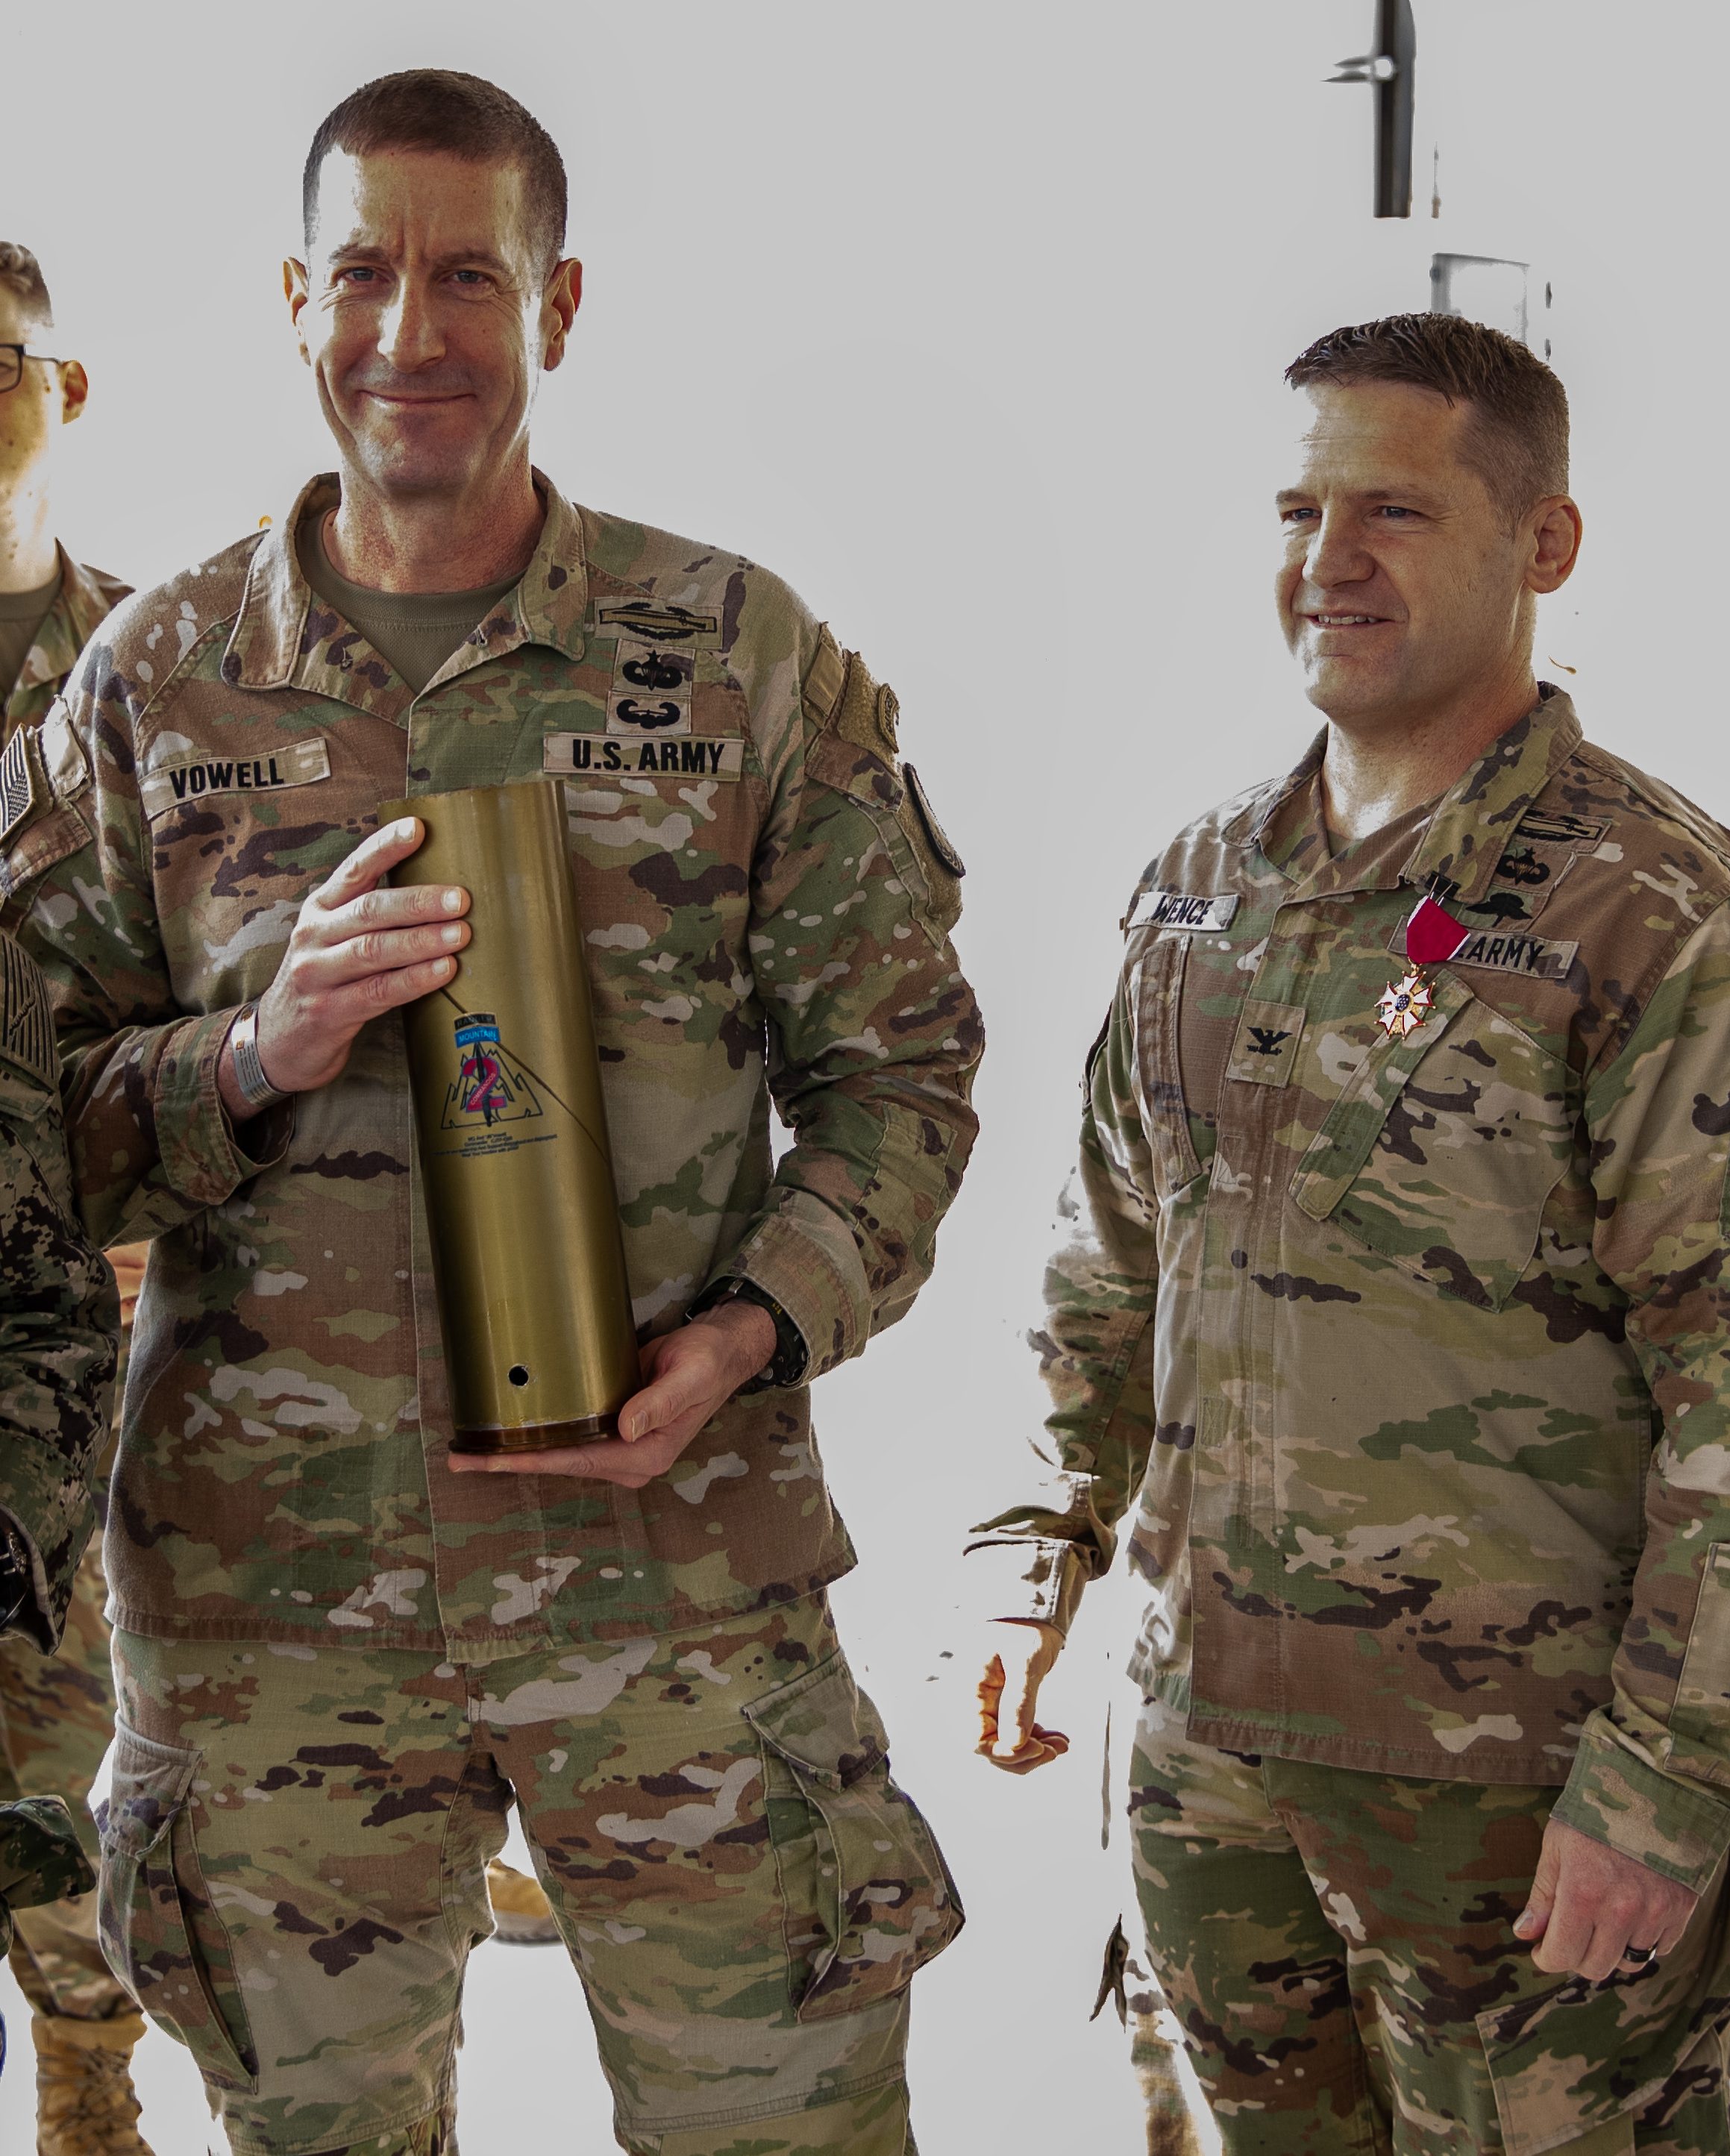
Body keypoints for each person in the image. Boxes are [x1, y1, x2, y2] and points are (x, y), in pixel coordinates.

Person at [0, 71, 982, 2156]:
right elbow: (29, 1137)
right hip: (276, 1622)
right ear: (292, 297)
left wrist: (758, 1326)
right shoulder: (153, 682)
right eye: (362, 270)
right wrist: (246, 1058)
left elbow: (900, 1078)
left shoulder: (734, 657)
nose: (410, 329)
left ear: (561, 301)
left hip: (670, 1588)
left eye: (471, 274)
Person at [971, 313, 1730, 2155]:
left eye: (1394, 507)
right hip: (1209, 1766)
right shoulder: (1200, 888)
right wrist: (1040, 1557)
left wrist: (1666, 1784)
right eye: (1302, 508)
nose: (1331, 559)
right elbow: (1108, 1264)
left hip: (1517, 1804)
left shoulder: (1662, 915)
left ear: (1543, 542)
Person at [0, 235, 157, 2156]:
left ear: (67, 389)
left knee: (71, 1764)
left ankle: (87, 2089)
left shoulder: (161, 684)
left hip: (99, 1359)